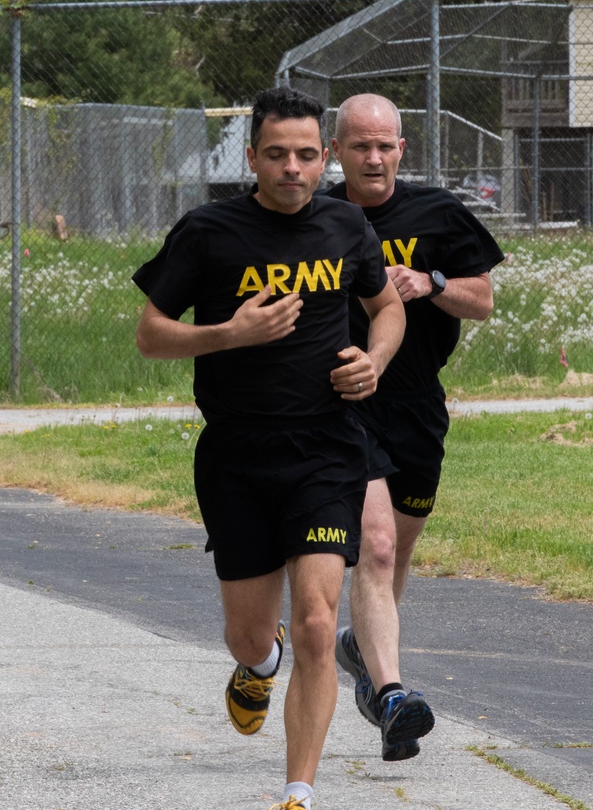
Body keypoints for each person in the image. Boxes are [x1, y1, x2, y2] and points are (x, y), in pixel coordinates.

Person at [132, 87, 405, 810]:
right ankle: (261, 662)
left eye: (307, 155)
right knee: (248, 633)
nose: (293, 168)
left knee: (320, 620)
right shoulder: (209, 232)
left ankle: (298, 793)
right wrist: (228, 334)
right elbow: (150, 332)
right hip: (238, 454)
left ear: (326, 160)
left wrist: (375, 360)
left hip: (327, 448)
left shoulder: (347, 226)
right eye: (277, 154)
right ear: (251, 157)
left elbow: (388, 307)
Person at [326, 93, 504, 762]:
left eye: (384, 145)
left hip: (417, 407)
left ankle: (364, 653)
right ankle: (391, 692)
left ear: (402, 149)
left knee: (394, 555)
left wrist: (430, 282)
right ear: (337, 150)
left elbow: (482, 299)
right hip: (343, 405)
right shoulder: (317, 218)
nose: (372, 156)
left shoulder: (437, 213)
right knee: (372, 548)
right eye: (359, 145)